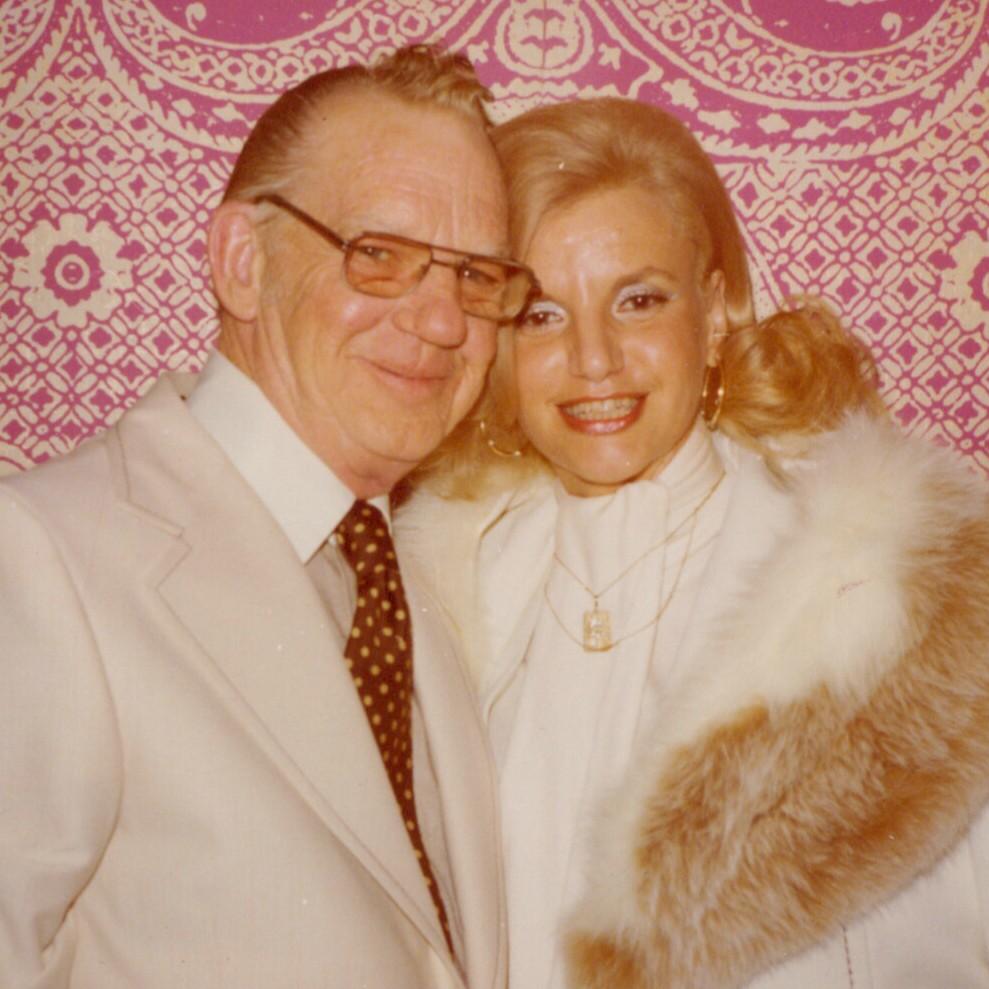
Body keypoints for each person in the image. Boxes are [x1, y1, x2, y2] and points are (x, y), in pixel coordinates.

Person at [396, 97, 989, 989]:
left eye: (638, 300)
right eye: (540, 315)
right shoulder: (434, 600)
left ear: (713, 312)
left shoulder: (899, 595)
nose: (594, 359)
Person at [0, 45, 537, 989]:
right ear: (242, 262)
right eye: (380, 256)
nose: (445, 322)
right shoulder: (41, 557)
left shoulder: (418, 585)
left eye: (475, 276)